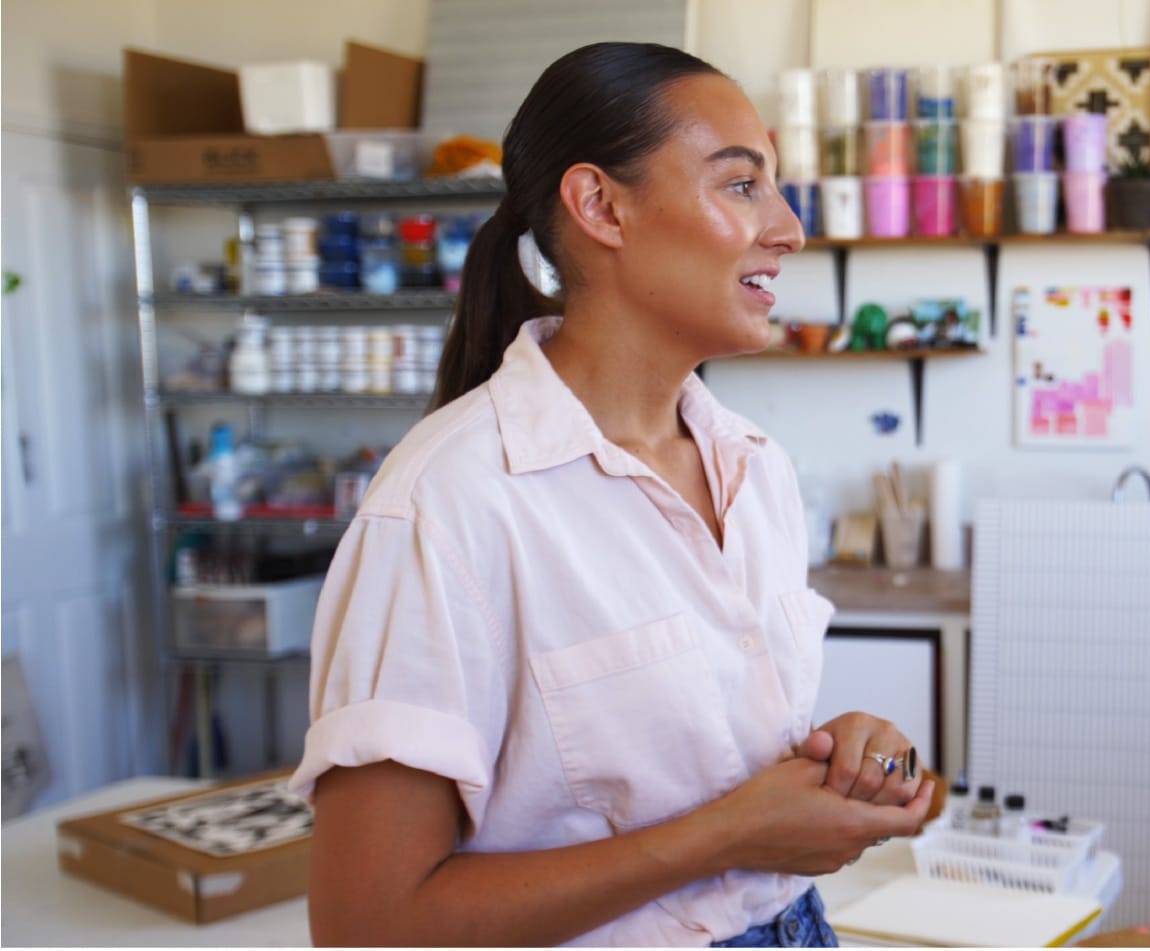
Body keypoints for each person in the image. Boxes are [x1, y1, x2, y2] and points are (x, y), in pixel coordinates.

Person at [290, 43, 931, 947]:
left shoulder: (757, 470)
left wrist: (838, 754)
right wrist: (733, 832)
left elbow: (691, 753)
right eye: (741, 185)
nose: (787, 228)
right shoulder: (448, 506)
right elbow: (369, 925)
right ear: (600, 205)